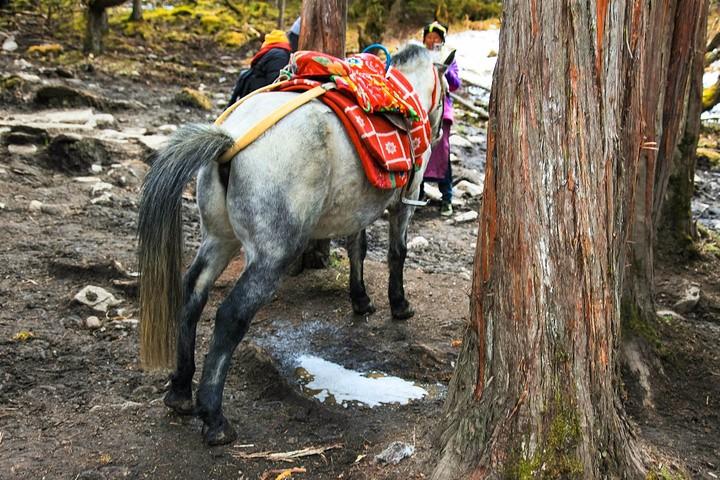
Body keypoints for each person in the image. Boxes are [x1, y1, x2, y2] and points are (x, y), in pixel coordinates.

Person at [421, 21, 461, 217]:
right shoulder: (419, 57)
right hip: (421, 111)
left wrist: (444, 70)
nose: (433, 41)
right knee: (419, 152)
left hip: (441, 112)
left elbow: (455, 84)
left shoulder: (448, 57)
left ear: (442, 40)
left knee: (442, 153)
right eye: (429, 37)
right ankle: (417, 195)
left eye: (437, 38)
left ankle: (447, 198)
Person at [227, 30, 292, 107]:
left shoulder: (271, 51)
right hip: (258, 97)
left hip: (251, 90)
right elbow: (274, 83)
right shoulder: (280, 55)